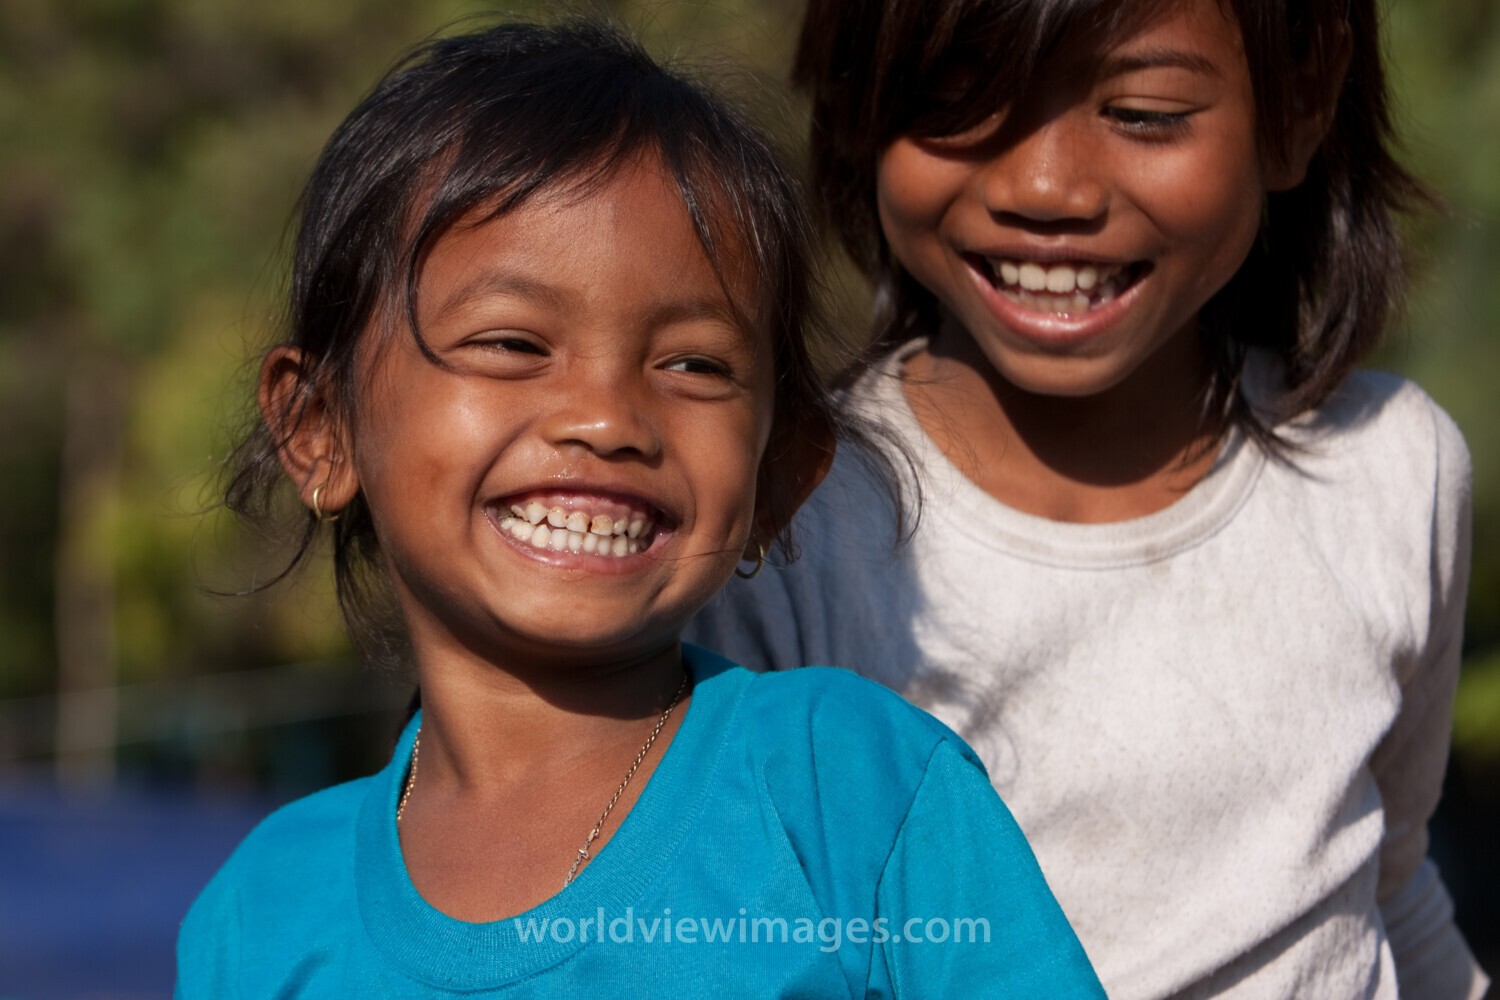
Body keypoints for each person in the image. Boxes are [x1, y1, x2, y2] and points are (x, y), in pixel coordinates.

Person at [174, 19, 1105, 999]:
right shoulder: (259, 913)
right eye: (511, 342)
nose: (608, 418)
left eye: (693, 364)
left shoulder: (849, 789)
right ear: (320, 428)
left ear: (780, 478)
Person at [688, 0, 1490, 997]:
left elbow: (1395, 883)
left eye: (1146, 113)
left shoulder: (1391, 470)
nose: (1046, 186)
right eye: (962, 97)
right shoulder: (779, 539)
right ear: (861, 99)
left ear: (1301, 101)